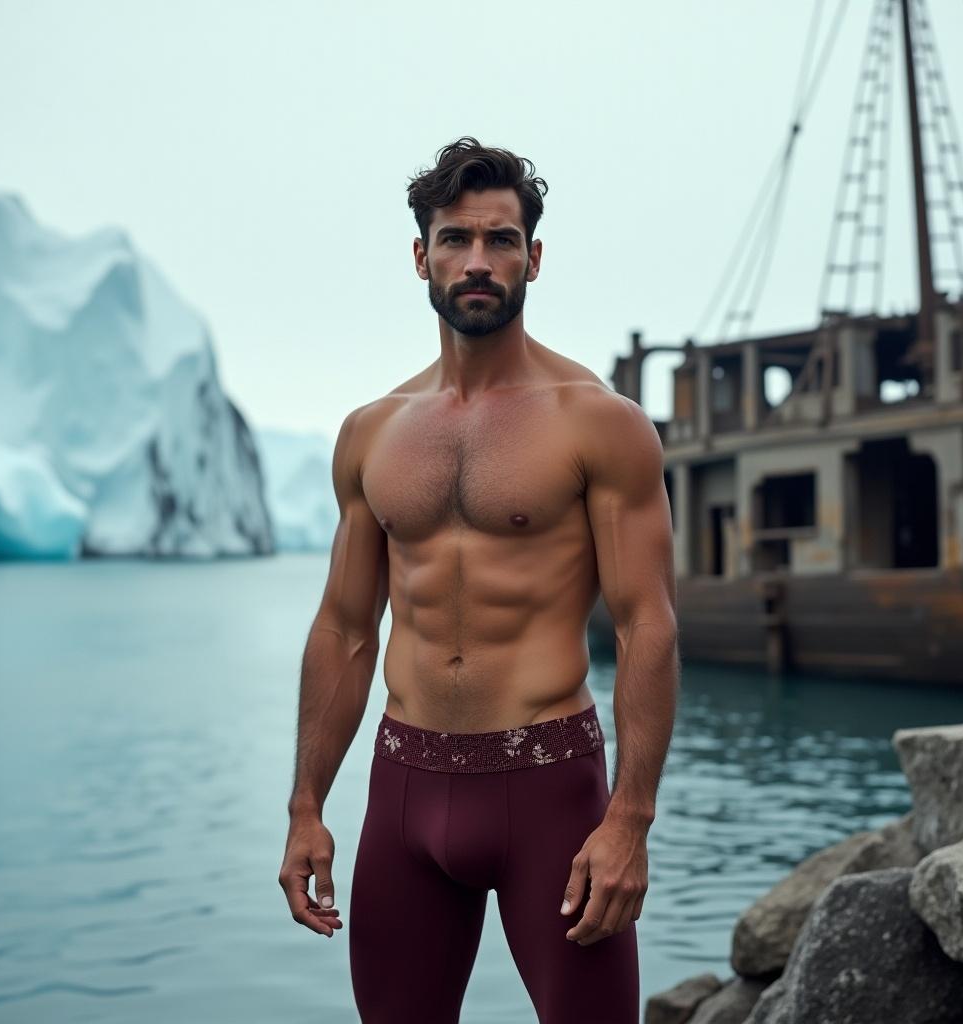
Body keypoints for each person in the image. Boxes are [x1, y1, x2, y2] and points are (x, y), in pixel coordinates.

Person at [278, 137, 679, 1023]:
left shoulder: (599, 424)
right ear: (421, 256)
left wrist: (629, 822)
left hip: (553, 792)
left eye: (501, 241)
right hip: (404, 791)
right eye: (456, 239)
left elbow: (648, 623)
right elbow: (345, 629)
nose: (478, 261)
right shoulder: (371, 433)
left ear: (533, 258)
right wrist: (306, 805)